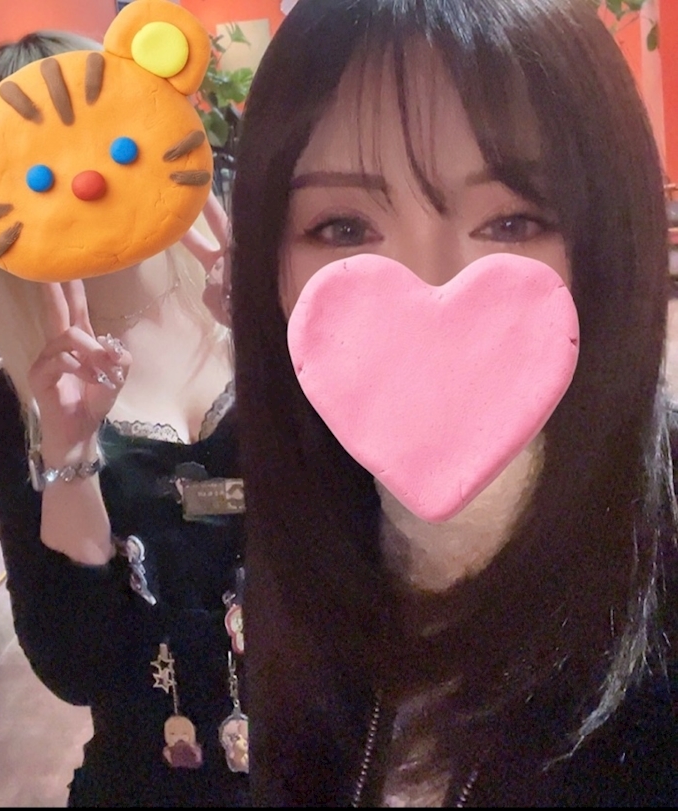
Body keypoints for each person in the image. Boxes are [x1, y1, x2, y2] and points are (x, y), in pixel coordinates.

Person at [229, 0, 678, 806]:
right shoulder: (301, 516)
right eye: (343, 228)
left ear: (611, 241)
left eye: (512, 221)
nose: (427, 285)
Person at [0, 31, 247, 807]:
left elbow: (365, 544)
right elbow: (77, 666)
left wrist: (282, 346)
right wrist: (70, 457)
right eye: (41, 172)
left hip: (320, 762)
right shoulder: (22, 406)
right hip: (148, 782)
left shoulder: (251, 319)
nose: (89, 182)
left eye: (113, 142)